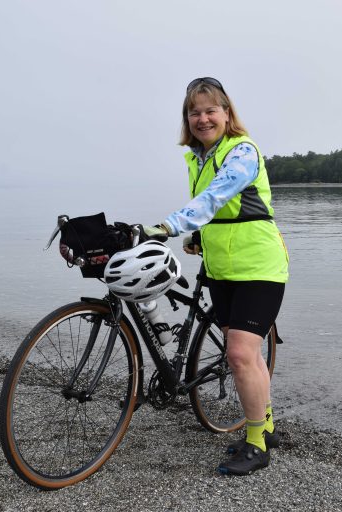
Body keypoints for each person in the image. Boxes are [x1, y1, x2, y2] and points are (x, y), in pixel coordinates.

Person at [142, 77, 289, 475]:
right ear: (187, 119)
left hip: (259, 265)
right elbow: (213, 210)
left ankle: (257, 444)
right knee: (245, 354)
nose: (203, 118)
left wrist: (167, 226)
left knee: (240, 354)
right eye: (194, 112)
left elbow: (216, 196)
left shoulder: (241, 150)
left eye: (211, 110)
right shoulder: (197, 158)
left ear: (227, 113)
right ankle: (267, 423)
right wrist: (194, 236)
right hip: (221, 266)